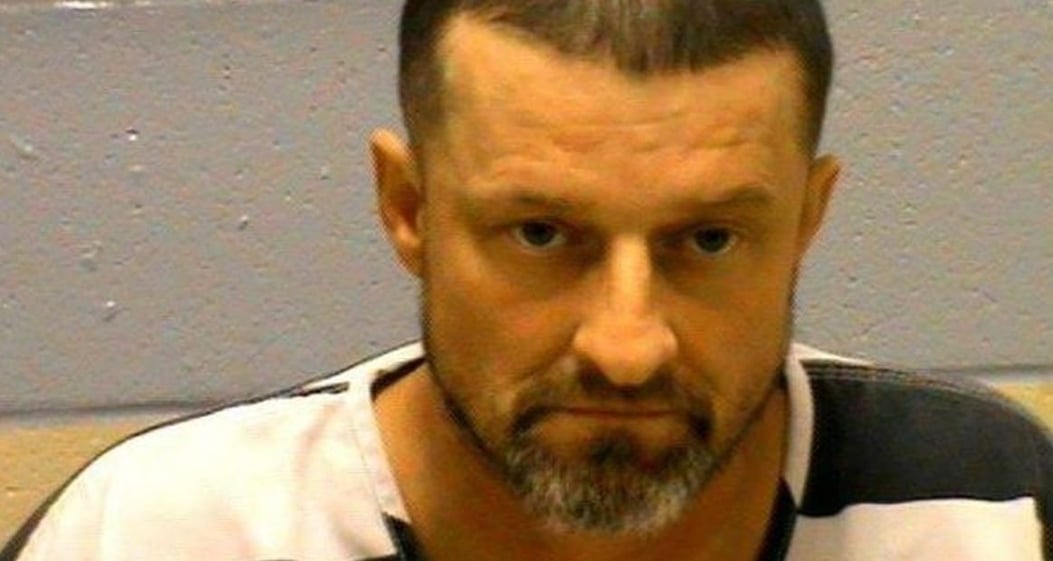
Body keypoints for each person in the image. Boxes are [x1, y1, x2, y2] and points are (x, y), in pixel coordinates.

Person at [4, 1, 1051, 560]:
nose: (627, 347)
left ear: (808, 221)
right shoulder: (159, 534)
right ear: (408, 208)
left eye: (709, 240)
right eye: (541, 234)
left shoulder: (988, 505)